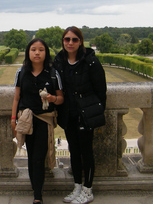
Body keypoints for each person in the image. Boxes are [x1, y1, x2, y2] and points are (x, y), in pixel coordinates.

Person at [53, 26, 107, 204]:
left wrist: (93, 113)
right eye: (67, 39)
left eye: (74, 39)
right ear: (63, 41)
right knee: (74, 152)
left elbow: (101, 91)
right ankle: (77, 186)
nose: (70, 42)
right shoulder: (59, 61)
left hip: (85, 114)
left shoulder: (90, 62)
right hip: (68, 114)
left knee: (86, 152)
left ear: (80, 41)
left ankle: (88, 189)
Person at [11, 38, 63, 204]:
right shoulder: (21, 72)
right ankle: (36, 189)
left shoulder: (53, 73)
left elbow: (61, 98)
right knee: (32, 156)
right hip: (26, 120)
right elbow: (16, 98)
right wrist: (13, 119)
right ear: (28, 52)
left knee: (38, 158)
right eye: (33, 49)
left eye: (41, 49)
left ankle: (38, 196)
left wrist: (52, 98)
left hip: (43, 120)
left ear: (46, 52)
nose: (37, 53)